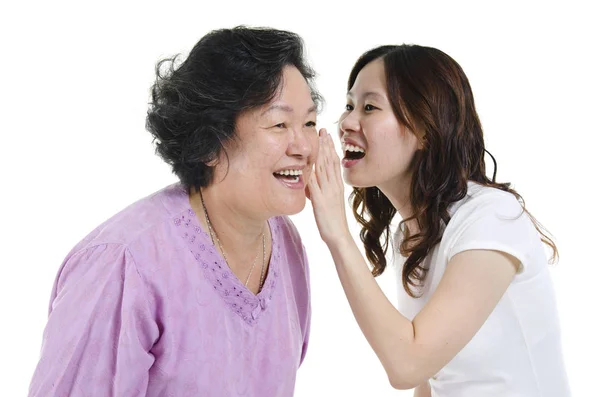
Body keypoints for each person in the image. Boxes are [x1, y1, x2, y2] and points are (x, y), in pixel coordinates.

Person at [29, 26, 320, 397]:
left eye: (309, 123)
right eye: (279, 124)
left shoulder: (285, 241)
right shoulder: (124, 263)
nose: (304, 146)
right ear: (211, 141)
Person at [307, 44, 570, 396]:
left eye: (370, 107)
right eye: (349, 105)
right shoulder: (412, 234)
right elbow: (430, 379)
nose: (347, 123)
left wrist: (337, 233)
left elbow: (407, 364)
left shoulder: (491, 217)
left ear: (425, 130)